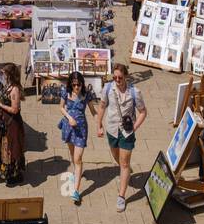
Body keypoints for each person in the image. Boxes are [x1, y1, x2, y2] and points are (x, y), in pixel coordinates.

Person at [98, 63, 147, 212]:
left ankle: (121, 196)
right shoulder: (107, 88)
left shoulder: (134, 92)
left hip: (127, 132)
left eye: (120, 77)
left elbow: (143, 112)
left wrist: (134, 127)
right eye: (115, 77)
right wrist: (99, 125)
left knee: (124, 163)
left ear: (126, 76)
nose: (117, 80)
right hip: (112, 129)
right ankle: (124, 169)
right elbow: (102, 106)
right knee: (116, 157)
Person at [58, 71, 99, 205]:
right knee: (72, 155)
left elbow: (93, 111)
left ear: (82, 84)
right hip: (69, 127)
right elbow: (61, 107)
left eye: (79, 84)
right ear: (71, 84)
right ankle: (76, 174)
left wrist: (99, 126)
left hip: (81, 129)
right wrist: (69, 118)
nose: (77, 87)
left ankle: (76, 191)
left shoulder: (86, 95)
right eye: (74, 85)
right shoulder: (66, 92)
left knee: (78, 158)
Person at [0, 64, 26, 186]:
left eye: (5, 73)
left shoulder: (15, 90)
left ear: (9, 75)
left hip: (12, 123)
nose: (3, 75)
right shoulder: (9, 86)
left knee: (12, 148)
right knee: (5, 146)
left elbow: (15, 110)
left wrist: (0, 104)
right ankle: (6, 170)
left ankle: (14, 174)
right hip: (5, 122)